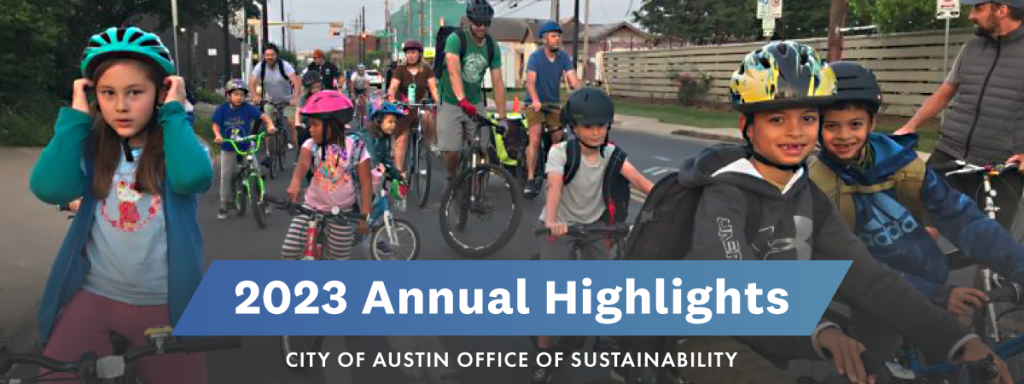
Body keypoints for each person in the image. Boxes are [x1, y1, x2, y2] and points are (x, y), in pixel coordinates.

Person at [671, 41, 1011, 384]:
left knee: (875, 371)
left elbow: (869, 276)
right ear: (747, 127)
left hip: (778, 329)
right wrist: (821, 330)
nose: (795, 131)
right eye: (777, 119)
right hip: (702, 335)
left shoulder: (807, 194)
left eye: (807, 118)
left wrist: (959, 342)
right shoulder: (724, 193)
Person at [29, 26, 214, 383]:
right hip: (96, 297)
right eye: (107, 93)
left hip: (165, 305)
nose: (121, 106)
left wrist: (175, 112)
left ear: (160, 93)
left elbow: (193, 178)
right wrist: (75, 118)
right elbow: (48, 187)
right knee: (53, 375)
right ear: (93, 95)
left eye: (135, 92)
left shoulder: (180, 148)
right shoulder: (91, 150)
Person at [809, 60, 1024, 362]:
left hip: (929, 283)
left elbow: (963, 219)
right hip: (875, 299)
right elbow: (848, 267)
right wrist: (934, 294)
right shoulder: (815, 185)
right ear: (814, 126)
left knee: (951, 363)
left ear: (871, 123)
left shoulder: (901, 165)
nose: (844, 135)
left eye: (855, 124)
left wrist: (1019, 267)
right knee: (872, 364)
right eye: (831, 125)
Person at [527, 87, 653, 384]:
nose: (596, 132)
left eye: (601, 125)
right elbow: (555, 186)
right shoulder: (561, 153)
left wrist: (671, 200)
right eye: (588, 126)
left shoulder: (612, 154)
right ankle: (544, 357)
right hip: (559, 227)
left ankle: (611, 341)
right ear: (573, 127)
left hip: (596, 226)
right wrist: (554, 221)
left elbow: (643, 183)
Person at [895, 0, 1024, 232]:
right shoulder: (971, 48)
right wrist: (911, 126)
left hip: (1001, 164)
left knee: (991, 244)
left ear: (1002, 10)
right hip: (950, 153)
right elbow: (943, 94)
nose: (970, 15)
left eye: (977, 8)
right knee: (924, 227)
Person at [281, 91, 372, 261]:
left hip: (342, 214)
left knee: (338, 260)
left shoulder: (356, 147)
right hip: (310, 208)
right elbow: (302, 166)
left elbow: (366, 183)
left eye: (315, 124)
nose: (310, 129)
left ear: (332, 124)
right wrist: (295, 183)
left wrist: (365, 215)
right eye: (309, 124)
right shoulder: (310, 145)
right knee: (289, 250)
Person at [437, 0, 509, 183]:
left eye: (486, 23)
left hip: (475, 101)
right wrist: (461, 99)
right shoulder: (456, 39)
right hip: (452, 100)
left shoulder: (492, 47)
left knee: (483, 148)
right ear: (470, 21)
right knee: (451, 151)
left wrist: (503, 117)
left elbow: (498, 82)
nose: (481, 27)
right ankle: (452, 180)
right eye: (477, 23)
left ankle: (478, 193)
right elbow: (453, 71)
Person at [522, 20, 581, 198]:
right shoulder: (535, 57)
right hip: (535, 104)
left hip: (553, 104)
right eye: (554, 36)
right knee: (535, 136)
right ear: (545, 39)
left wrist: (584, 95)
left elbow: (573, 80)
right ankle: (530, 179)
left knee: (558, 139)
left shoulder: (563, 57)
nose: (558, 39)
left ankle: (554, 173)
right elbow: (531, 81)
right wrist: (535, 98)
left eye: (559, 36)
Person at [212, 79, 278, 220]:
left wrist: (270, 125)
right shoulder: (222, 109)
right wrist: (218, 135)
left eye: (242, 94)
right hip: (228, 146)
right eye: (236, 94)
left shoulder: (247, 108)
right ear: (228, 95)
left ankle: (263, 200)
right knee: (226, 175)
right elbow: (215, 124)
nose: (239, 97)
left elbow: (263, 116)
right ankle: (224, 205)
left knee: (257, 170)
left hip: (246, 145)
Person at [388, 39, 441, 175]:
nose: (411, 55)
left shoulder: (426, 69)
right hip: (403, 108)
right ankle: (399, 173)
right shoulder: (400, 69)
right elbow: (392, 88)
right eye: (408, 52)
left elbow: (433, 88)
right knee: (402, 139)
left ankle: (430, 143)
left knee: (428, 117)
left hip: (419, 105)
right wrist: (393, 99)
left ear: (419, 54)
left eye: (414, 52)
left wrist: (438, 102)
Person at [249, 43, 301, 150]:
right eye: (267, 55)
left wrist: (295, 98)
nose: (269, 57)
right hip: (270, 100)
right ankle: (269, 154)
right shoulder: (260, 67)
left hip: (287, 100)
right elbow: (252, 83)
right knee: (269, 125)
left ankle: (299, 151)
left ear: (276, 55)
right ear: (264, 56)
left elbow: (296, 82)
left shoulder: (284, 66)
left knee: (292, 123)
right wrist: (255, 96)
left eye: (272, 54)